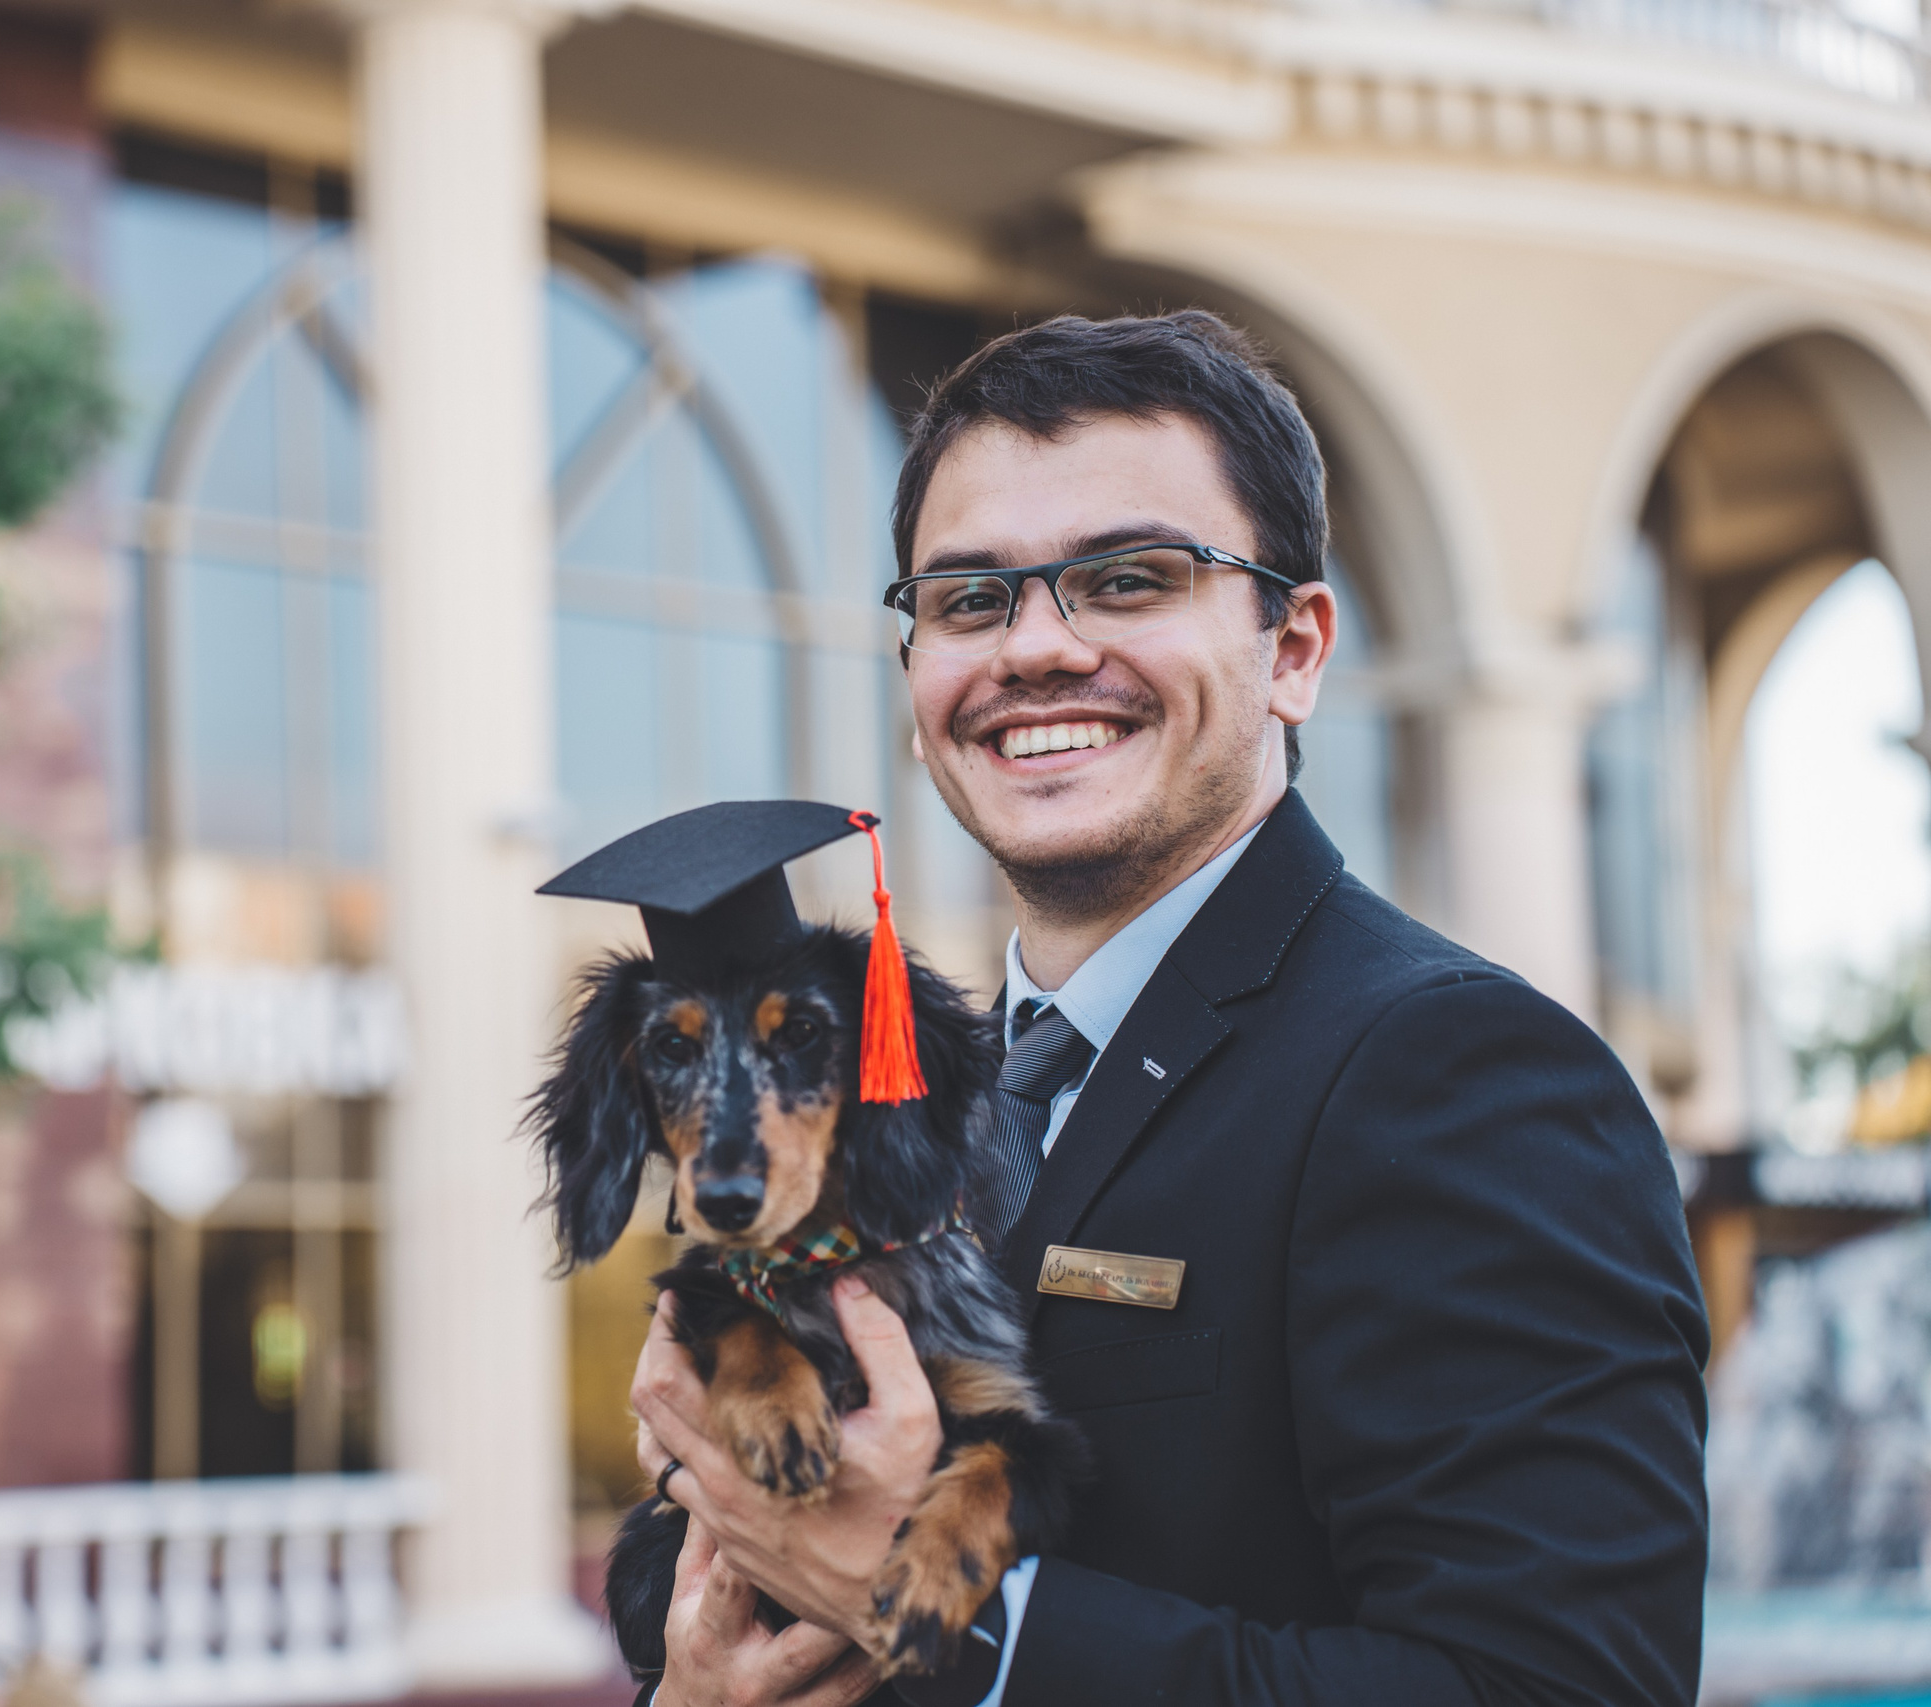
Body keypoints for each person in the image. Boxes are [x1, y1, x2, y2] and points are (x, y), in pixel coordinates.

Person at [628, 311, 1710, 1707]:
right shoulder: (896, 1101)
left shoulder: (1461, 1073)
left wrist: (957, 1618)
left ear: (1295, 649)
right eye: (969, 601)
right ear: (915, 688)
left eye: (1129, 581)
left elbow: (1555, 1691)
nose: (1036, 646)